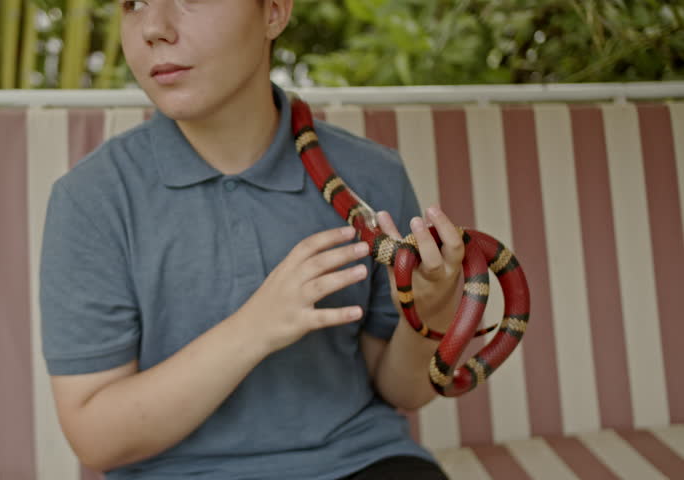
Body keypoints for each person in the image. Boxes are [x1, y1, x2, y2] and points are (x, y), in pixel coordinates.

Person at [40, 0, 463, 478]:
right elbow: (95, 439)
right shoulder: (91, 199)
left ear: (274, 13)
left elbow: (404, 392)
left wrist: (431, 308)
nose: (153, 28)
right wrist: (253, 329)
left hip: (360, 460)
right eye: (133, 4)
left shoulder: (374, 175)